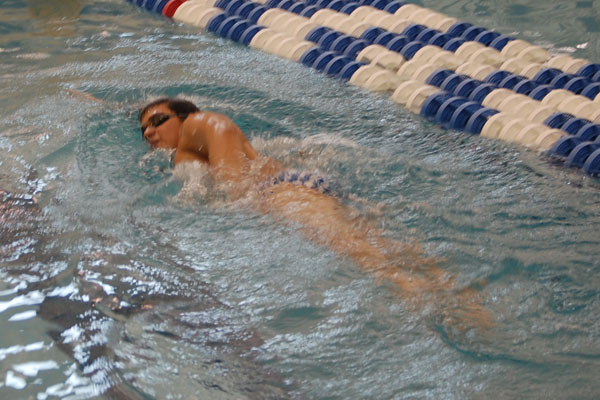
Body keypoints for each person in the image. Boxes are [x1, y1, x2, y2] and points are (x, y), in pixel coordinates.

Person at [139, 97, 491, 327]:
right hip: (304, 187)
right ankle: (474, 309)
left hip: (280, 193)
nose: (150, 131)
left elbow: (219, 125)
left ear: (183, 115)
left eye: (157, 119)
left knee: (370, 258)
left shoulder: (194, 128)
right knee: (392, 249)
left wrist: (240, 195)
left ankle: (445, 321)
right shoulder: (187, 153)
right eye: (144, 130)